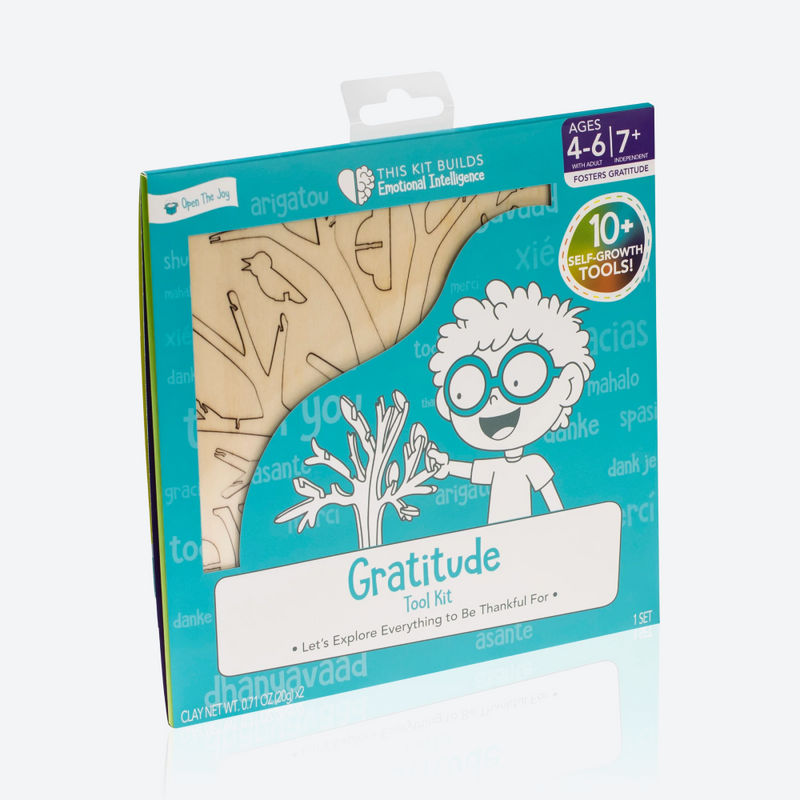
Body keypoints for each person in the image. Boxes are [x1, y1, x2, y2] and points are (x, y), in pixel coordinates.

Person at [427, 280, 594, 524]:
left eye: (518, 381)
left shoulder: (533, 465)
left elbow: (556, 508)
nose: (494, 397)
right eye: (466, 392)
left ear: (568, 384)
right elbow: (470, 470)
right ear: (445, 404)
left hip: (525, 538)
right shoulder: (496, 468)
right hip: (492, 543)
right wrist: (446, 466)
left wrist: (565, 528)